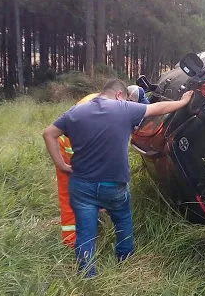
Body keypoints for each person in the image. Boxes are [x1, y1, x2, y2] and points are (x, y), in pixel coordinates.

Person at [43, 79, 194, 277]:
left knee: (85, 233)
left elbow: (48, 133)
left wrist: (61, 164)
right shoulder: (124, 108)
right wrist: (183, 102)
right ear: (119, 95)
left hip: (80, 185)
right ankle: (124, 258)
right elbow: (159, 108)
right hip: (112, 184)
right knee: (122, 218)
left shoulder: (75, 112)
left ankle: (87, 274)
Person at [55, 87, 144, 248]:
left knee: (76, 194)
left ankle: (75, 239)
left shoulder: (96, 99)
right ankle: (72, 238)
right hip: (76, 148)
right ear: (122, 97)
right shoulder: (115, 108)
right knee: (74, 193)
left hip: (70, 144)